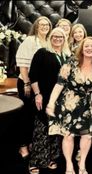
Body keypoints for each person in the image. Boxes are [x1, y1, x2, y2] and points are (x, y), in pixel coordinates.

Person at [46, 37, 92, 174]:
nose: (89, 48)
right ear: (82, 48)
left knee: (87, 136)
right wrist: (51, 103)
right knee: (68, 135)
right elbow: (59, 83)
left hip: (85, 105)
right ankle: (69, 164)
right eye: (86, 46)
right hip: (67, 103)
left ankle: (82, 163)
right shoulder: (72, 62)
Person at [27, 27, 71, 174]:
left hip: (61, 99)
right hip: (44, 96)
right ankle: (36, 161)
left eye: (61, 37)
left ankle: (51, 158)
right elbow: (33, 76)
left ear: (65, 39)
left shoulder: (66, 55)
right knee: (42, 128)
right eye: (55, 36)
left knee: (55, 129)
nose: (58, 39)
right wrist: (37, 94)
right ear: (50, 37)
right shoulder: (42, 53)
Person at [16, 16, 52, 160]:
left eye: (47, 24)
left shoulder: (49, 41)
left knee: (38, 116)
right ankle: (23, 145)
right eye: (41, 24)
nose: (44, 27)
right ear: (36, 26)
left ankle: (33, 143)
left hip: (41, 85)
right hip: (27, 83)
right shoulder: (30, 40)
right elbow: (22, 64)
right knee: (26, 115)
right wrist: (26, 83)